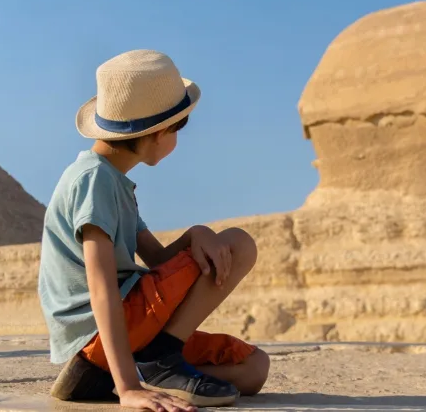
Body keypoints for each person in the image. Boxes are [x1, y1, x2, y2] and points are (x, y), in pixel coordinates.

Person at [37, 49, 269, 412]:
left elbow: (159, 259)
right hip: (101, 331)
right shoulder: (93, 181)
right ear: (159, 133)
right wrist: (128, 388)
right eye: (179, 128)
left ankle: (142, 365)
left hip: (132, 329)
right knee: (239, 243)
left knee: (254, 369)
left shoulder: (114, 181)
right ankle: (154, 361)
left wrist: (196, 233)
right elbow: (101, 288)